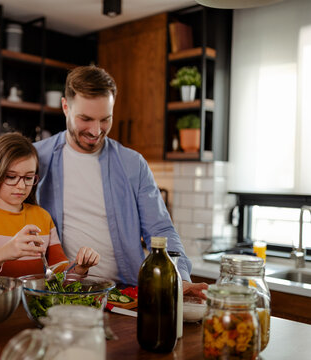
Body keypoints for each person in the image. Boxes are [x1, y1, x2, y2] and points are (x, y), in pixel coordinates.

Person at [34, 65, 207, 297]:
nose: (96, 131)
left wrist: (179, 277)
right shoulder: (36, 159)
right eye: (85, 119)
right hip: (58, 293)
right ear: (66, 107)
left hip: (124, 295)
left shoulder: (132, 164)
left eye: (105, 119)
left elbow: (160, 229)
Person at [0, 132, 100, 277]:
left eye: (28, 177)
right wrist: (2, 254)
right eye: (11, 177)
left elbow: (57, 271)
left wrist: (78, 268)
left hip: (34, 299)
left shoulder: (43, 217)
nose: (21, 186)